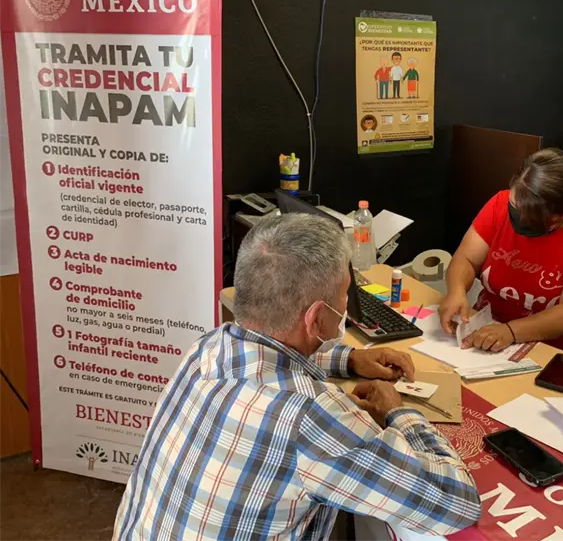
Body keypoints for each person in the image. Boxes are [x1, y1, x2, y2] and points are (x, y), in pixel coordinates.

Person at [113, 214, 481, 541]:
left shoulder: (209, 346)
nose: (346, 307)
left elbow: (272, 351)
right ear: (317, 318)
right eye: (345, 296)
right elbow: (457, 504)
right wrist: (398, 414)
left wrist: (351, 359)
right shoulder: (311, 415)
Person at [440, 148, 563, 356]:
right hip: (484, 334)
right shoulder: (499, 204)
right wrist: (456, 291)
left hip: (552, 353)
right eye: (516, 208)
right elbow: (466, 258)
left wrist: (511, 332)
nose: (521, 221)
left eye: (533, 219)